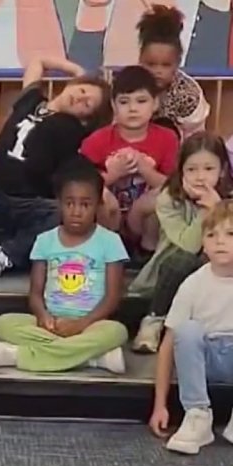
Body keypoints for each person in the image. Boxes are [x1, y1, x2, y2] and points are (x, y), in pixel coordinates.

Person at [0, 55, 110, 279]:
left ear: (87, 117)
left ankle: (5, 255)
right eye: (82, 91)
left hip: (31, 202)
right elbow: (39, 61)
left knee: (58, 211)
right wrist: (77, 70)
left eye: (88, 103)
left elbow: (84, 162)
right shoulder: (31, 101)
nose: (80, 99)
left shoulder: (73, 129)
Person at [0, 161, 129, 374]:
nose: (76, 211)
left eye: (85, 205)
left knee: (117, 331)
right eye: (69, 204)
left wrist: (81, 324)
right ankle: (92, 359)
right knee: (3, 323)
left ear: (98, 206)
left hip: (91, 324)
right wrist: (43, 316)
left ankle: (16, 355)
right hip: (51, 325)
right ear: (59, 204)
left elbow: (112, 298)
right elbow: (35, 293)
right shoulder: (44, 240)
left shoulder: (110, 242)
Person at [130, 133, 231, 353]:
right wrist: (207, 211)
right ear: (181, 170)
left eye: (208, 169)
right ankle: (153, 322)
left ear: (222, 170)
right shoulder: (168, 199)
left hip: (222, 265)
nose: (200, 177)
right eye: (191, 169)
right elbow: (189, 245)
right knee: (181, 261)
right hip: (175, 267)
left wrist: (220, 208)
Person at [149, 201, 233, 455]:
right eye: (211, 235)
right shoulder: (193, 284)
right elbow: (167, 345)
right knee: (186, 330)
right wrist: (159, 405)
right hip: (205, 361)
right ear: (203, 245)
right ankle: (198, 416)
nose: (220, 241)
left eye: (230, 234)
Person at [80, 65, 178, 256]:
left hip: (142, 220)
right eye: (124, 102)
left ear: (155, 103)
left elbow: (175, 185)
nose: (133, 109)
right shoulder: (97, 139)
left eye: (141, 101)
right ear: (114, 105)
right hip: (109, 218)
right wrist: (113, 174)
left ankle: (146, 253)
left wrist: (145, 170)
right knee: (97, 193)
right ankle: (108, 250)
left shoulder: (167, 138)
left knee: (165, 195)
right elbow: (79, 183)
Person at [137, 5, 209, 139]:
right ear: (140, 60)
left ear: (177, 63)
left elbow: (195, 139)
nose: (157, 71)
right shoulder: (129, 86)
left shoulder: (188, 94)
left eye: (166, 65)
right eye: (151, 64)